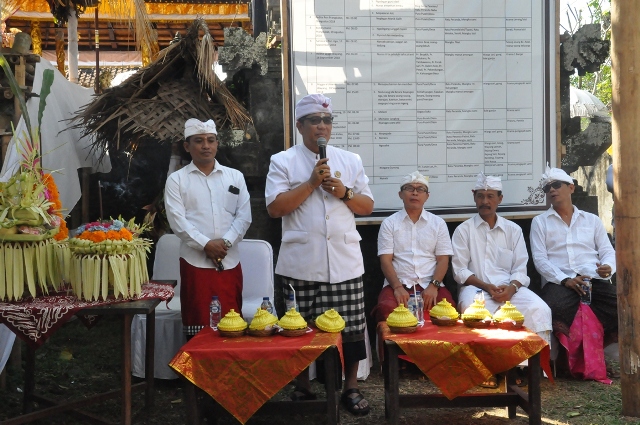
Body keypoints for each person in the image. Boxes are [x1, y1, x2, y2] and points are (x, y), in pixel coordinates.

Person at [265, 94, 374, 415]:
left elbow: (366, 207)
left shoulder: (350, 160)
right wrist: (311, 183)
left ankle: (351, 388)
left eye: (327, 121)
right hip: (300, 263)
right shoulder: (282, 161)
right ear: (300, 126)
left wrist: (345, 192)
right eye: (315, 121)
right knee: (299, 332)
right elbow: (274, 208)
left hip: (344, 261)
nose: (322, 126)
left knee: (352, 331)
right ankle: (303, 388)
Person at [452, 173, 552, 388]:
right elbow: (459, 271)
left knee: (539, 308)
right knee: (472, 310)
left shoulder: (513, 230)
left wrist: (512, 288)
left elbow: (520, 269)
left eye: (490, 196)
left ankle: (522, 366)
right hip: (476, 287)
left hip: (510, 288)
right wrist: (487, 286)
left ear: (500, 198)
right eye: (480, 196)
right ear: (474, 198)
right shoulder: (463, 230)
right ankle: (486, 368)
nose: (485, 201)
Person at [165, 118, 251, 337]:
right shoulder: (177, 180)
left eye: (210, 140)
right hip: (195, 263)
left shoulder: (235, 176)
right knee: (198, 325)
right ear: (187, 146)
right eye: (199, 141)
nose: (206, 145)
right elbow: (177, 220)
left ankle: (229, 370)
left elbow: (244, 216)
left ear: (217, 144)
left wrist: (225, 243)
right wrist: (206, 245)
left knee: (232, 325)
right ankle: (196, 371)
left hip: (229, 262)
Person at [530, 166, 617, 379]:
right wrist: (565, 279)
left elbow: (607, 251)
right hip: (560, 282)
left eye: (556, 185)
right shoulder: (540, 222)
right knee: (553, 308)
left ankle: (600, 357)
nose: (551, 190)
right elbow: (540, 260)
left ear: (571, 187)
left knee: (621, 306)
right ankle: (564, 362)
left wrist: (608, 267)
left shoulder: (592, 220)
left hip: (593, 279)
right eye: (547, 187)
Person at [372, 171, 455, 324]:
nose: (415, 192)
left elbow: (443, 260)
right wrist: (397, 287)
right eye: (409, 188)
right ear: (400, 194)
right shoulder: (389, 223)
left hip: (430, 284)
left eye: (420, 189)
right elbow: (385, 261)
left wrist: (434, 286)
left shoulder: (438, 223)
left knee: (448, 311)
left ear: (427, 196)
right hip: (399, 284)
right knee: (386, 309)